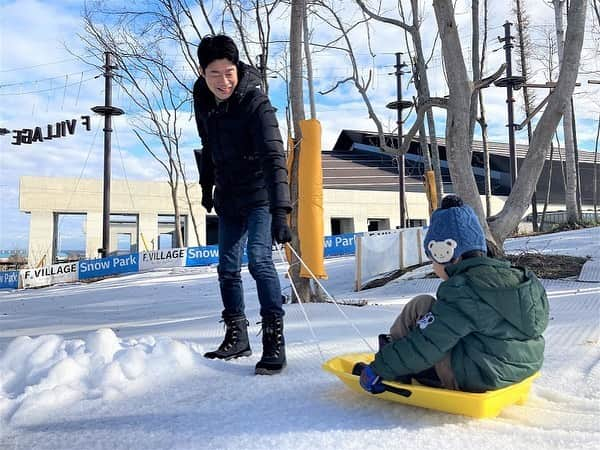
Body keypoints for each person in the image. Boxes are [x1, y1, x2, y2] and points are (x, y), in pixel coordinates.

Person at [358, 195, 549, 393]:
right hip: (521, 368)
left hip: (481, 377)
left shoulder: (463, 291)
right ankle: (398, 357)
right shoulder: (514, 277)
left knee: (420, 306)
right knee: (433, 315)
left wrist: (380, 368)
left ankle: (395, 366)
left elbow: (428, 342)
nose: (433, 266)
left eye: (433, 259)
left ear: (447, 254)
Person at [193, 34, 292, 375]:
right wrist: (207, 185)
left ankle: (273, 340)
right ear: (203, 73)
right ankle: (237, 336)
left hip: (261, 194)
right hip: (230, 196)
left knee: (260, 261)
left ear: (238, 68)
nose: (223, 81)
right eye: (215, 74)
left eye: (229, 72)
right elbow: (208, 144)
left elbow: (274, 156)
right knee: (226, 268)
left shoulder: (256, 103)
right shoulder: (202, 98)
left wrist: (281, 211)